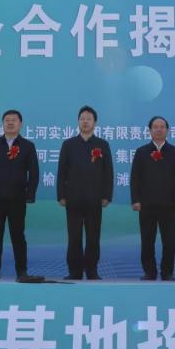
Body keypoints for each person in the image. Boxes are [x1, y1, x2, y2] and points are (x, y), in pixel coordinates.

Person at [0, 110, 40, 281]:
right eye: (7, 120)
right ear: (2, 124)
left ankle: (22, 271)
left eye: (14, 120)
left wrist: (30, 194)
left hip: (17, 199)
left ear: (20, 124)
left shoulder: (27, 146)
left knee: (18, 236)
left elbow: (34, 173)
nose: (10, 123)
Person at [57, 105, 113, 280]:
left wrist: (106, 196)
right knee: (74, 238)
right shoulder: (68, 144)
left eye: (89, 119)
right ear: (78, 122)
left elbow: (108, 173)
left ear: (95, 122)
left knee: (93, 238)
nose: (85, 121)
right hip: (73, 198)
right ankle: (74, 272)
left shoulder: (102, 144)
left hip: (95, 198)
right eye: (82, 118)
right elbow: (62, 172)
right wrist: (61, 195)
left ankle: (92, 271)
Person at [130, 116, 175, 281]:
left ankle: (167, 272)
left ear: (167, 130)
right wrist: (135, 200)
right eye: (155, 127)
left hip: (169, 204)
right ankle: (150, 272)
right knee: (147, 241)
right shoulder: (142, 152)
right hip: (146, 204)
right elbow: (135, 178)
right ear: (150, 131)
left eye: (162, 126)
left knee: (169, 241)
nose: (159, 129)